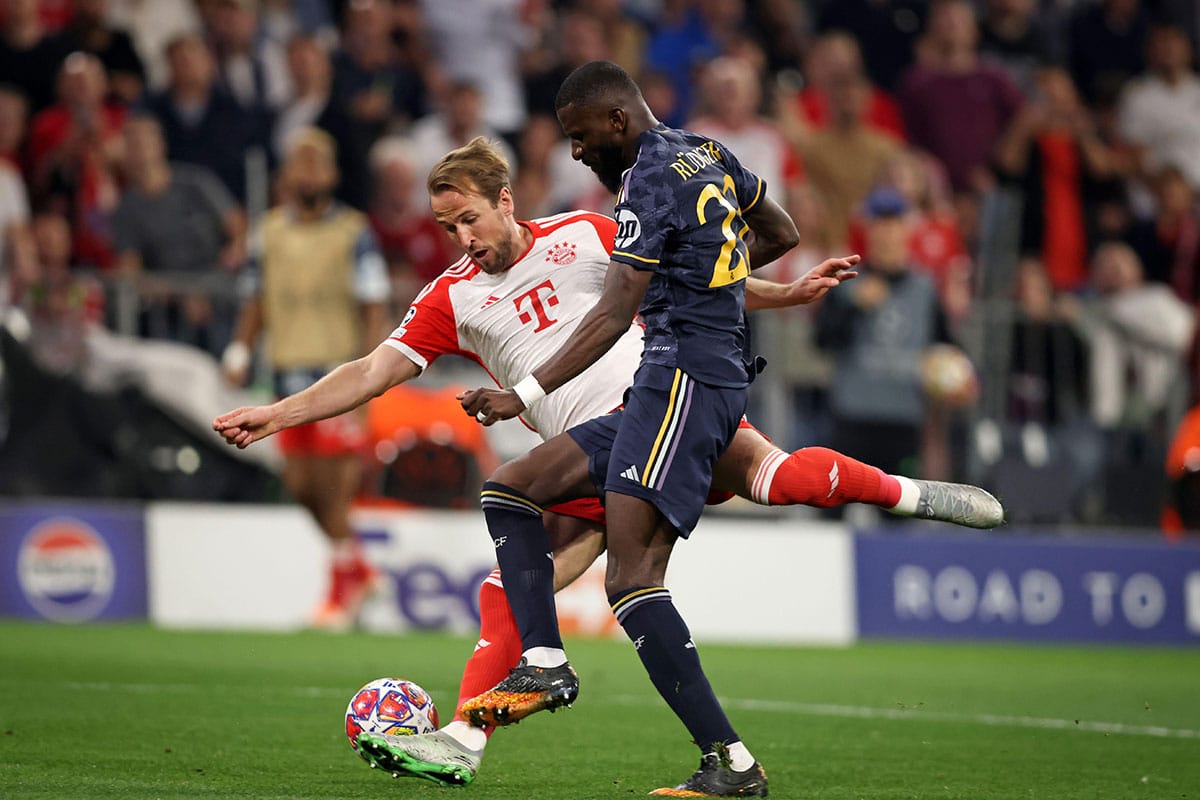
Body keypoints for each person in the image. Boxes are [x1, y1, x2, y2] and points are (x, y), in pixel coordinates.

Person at [212, 134, 1003, 790]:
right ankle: (899, 502)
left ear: (507, 202)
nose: (464, 240)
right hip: (613, 454)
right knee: (715, 507)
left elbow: (696, 277)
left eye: (470, 220)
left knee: (535, 503)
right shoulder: (450, 299)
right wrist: (276, 413)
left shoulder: (584, 236)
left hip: (651, 411)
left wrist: (783, 293)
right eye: (449, 227)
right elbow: (366, 372)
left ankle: (506, 703)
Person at [220, 126, 390, 630]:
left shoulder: (354, 233)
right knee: (298, 485)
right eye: (300, 163)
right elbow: (256, 297)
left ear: (333, 175)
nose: (308, 172)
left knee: (333, 490)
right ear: (287, 174)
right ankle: (359, 572)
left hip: (338, 377)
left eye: (317, 163)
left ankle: (340, 595)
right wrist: (238, 348)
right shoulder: (269, 231)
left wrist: (371, 375)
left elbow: (373, 306)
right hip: (285, 376)